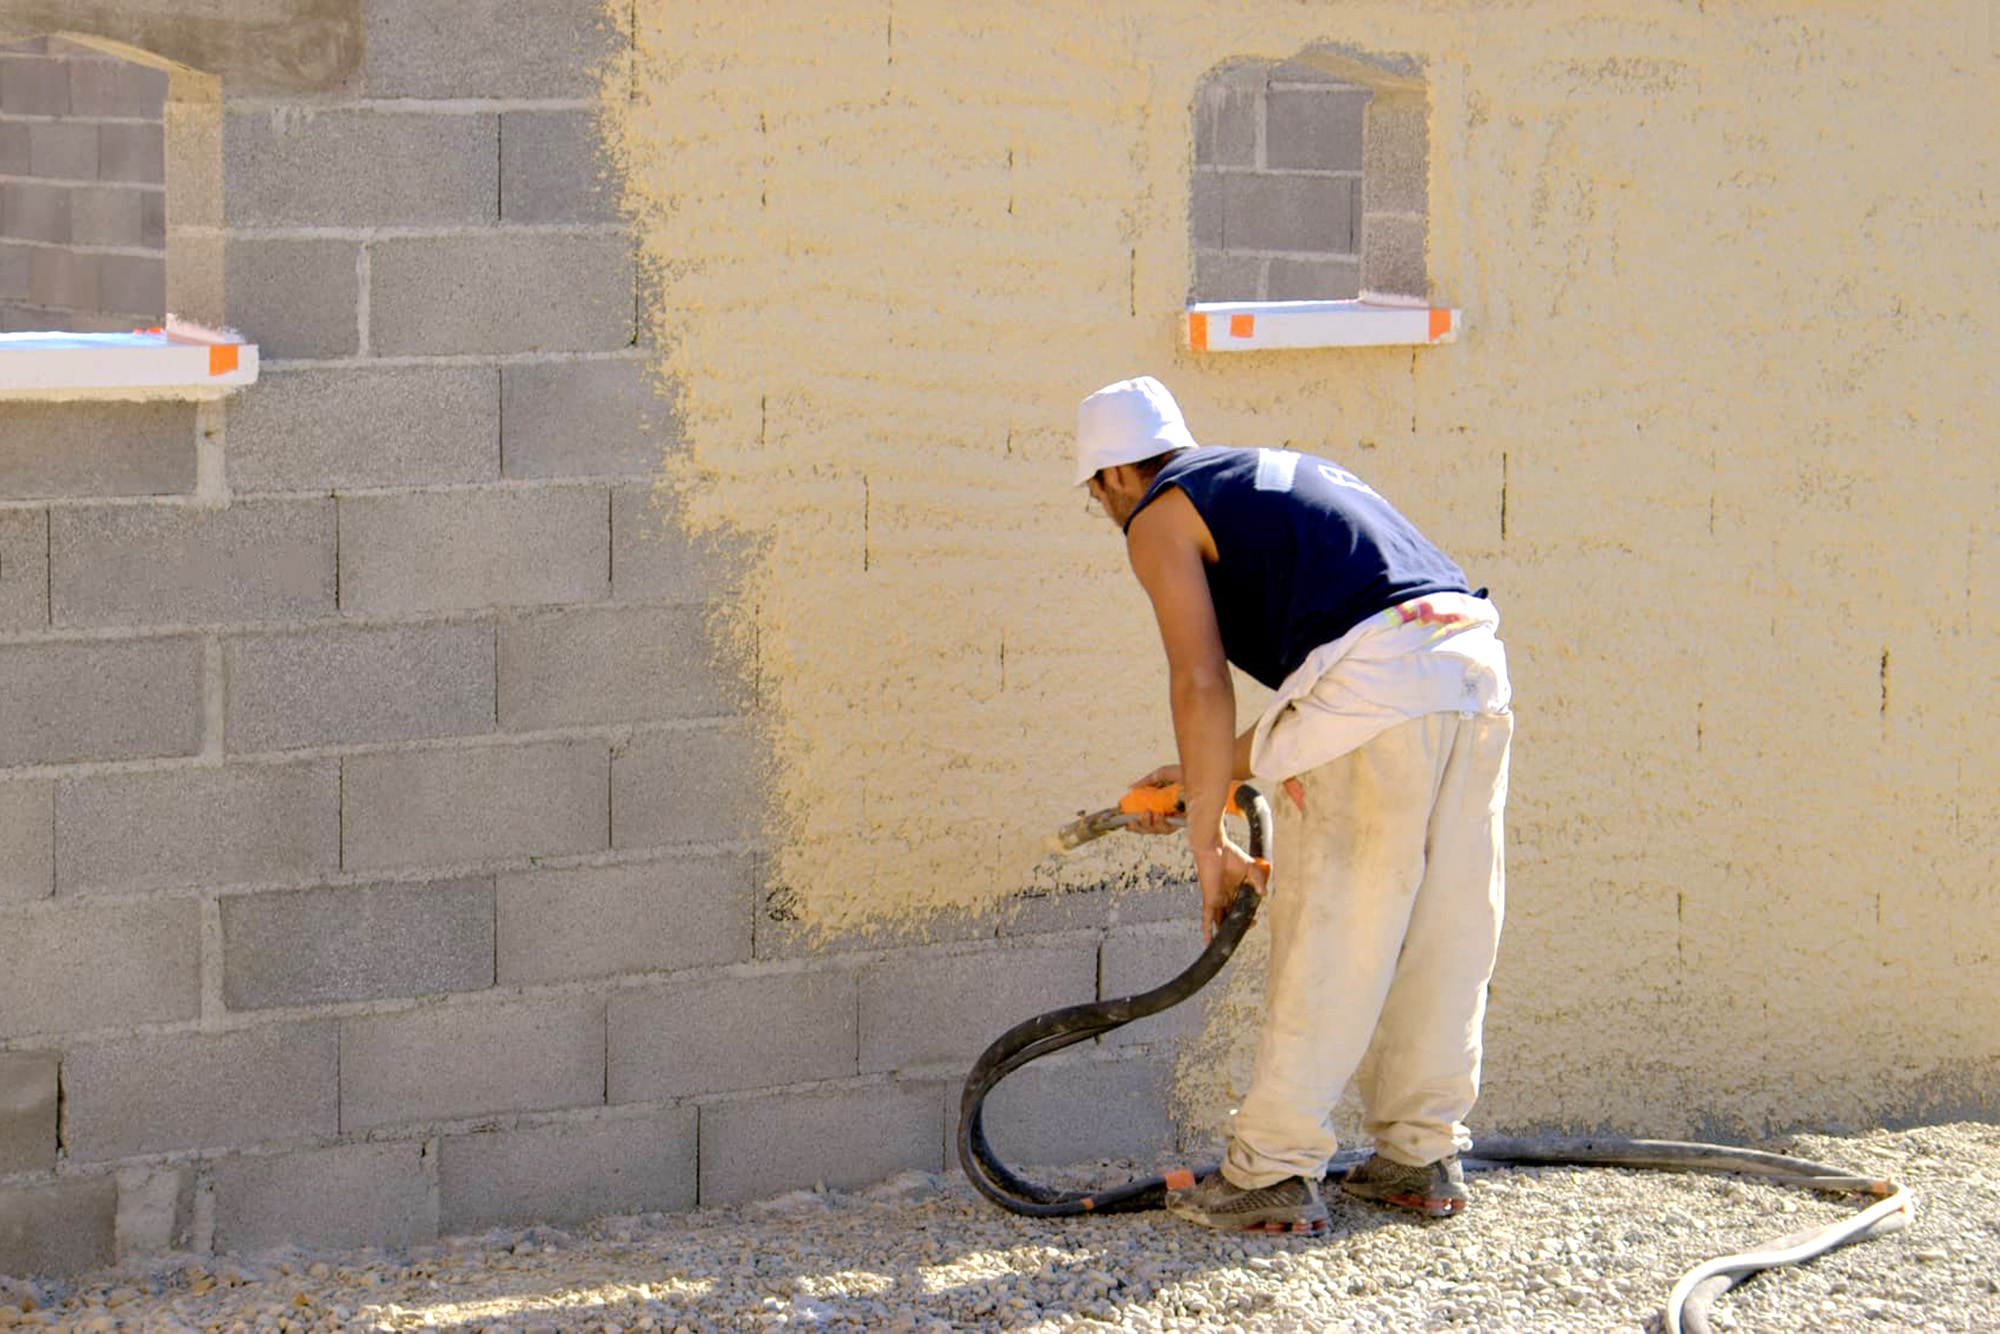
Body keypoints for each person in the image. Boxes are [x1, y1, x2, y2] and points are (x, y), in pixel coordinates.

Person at [1074, 375, 1513, 1232]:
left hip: (1382, 683)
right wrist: (1203, 782)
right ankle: (1420, 1158)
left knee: (1337, 928)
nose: (1104, 509)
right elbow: (1352, 679)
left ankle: (1271, 1169)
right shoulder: (1251, 477)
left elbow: (1200, 679)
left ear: (1113, 476)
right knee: (1446, 931)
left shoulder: (1158, 511)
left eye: (1096, 494)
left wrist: (1209, 843)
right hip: (1471, 668)